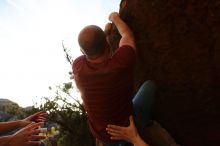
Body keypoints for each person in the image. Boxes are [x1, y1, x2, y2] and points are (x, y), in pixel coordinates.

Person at [73, 11, 156, 146]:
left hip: (102, 135)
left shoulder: (77, 66)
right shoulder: (121, 62)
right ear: (108, 45)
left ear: (82, 52)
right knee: (150, 86)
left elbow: (92, 48)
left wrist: (104, 33)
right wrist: (114, 17)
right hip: (127, 131)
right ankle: (141, 129)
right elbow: (127, 35)